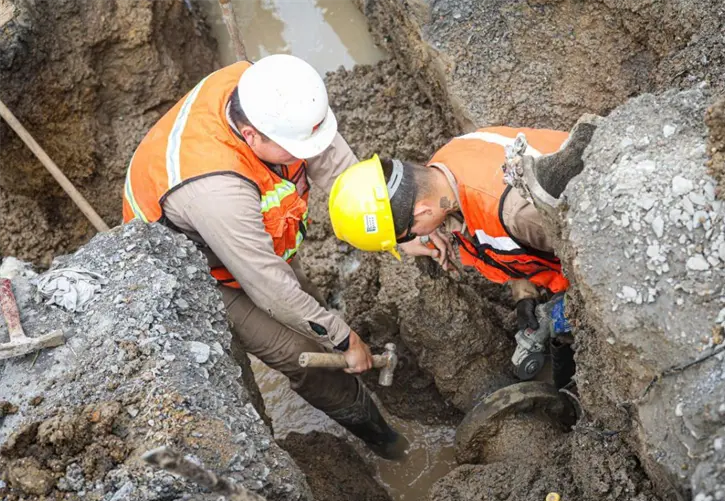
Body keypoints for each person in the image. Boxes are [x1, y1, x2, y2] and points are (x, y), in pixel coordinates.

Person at [122, 54, 410, 459]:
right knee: (303, 355)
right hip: (194, 272)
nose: (307, 155)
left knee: (308, 308)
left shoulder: (275, 94)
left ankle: (344, 361)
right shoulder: (217, 190)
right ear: (251, 136)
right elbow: (270, 289)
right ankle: (386, 443)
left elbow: (340, 170)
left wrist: (397, 230)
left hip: (245, 236)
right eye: (297, 151)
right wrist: (346, 338)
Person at [327, 123, 598, 386]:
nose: (413, 240)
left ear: (423, 211)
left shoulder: (521, 216)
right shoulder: (443, 170)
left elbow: (607, 272)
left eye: (408, 235)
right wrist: (524, 292)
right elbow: (503, 238)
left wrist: (559, 312)